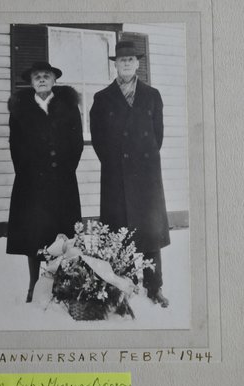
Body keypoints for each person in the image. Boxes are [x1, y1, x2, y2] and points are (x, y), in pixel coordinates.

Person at [90, 42, 170, 307]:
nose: (126, 64)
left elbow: (157, 136)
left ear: (138, 64)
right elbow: (98, 139)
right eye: (122, 60)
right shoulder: (102, 98)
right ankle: (122, 284)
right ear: (115, 64)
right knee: (119, 232)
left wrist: (141, 162)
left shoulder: (152, 95)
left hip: (146, 175)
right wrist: (116, 164)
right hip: (116, 176)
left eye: (131, 60)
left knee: (150, 233)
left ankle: (154, 286)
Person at [6, 61, 83, 302]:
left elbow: (77, 143)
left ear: (54, 80)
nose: (41, 79)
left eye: (46, 76)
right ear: (30, 82)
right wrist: (28, 173)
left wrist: (66, 169)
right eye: (37, 76)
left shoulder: (69, 107)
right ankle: (34, 284)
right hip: (31, 183)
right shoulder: (20, 109)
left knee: (62, 233)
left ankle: (61, 283)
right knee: (34, 234)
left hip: (63, 181)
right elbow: (15, 145)